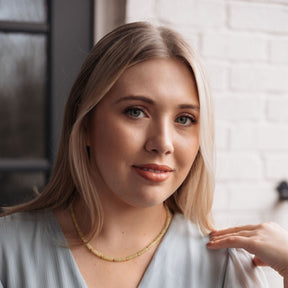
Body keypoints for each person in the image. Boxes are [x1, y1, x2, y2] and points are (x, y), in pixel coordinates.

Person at [0, 21, 278, 287]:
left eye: (184, 119)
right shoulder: (6, 251)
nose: (163, 143)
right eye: (136, 112)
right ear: (85, 123)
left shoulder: (225, 265)